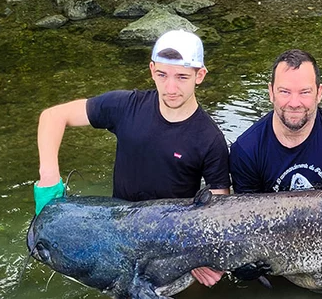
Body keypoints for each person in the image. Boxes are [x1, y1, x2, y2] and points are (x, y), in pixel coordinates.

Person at [32, 29, 230, 286]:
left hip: (169, 244)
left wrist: (205, 253)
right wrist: (48, 180)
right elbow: (53, 116)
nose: (170, 88)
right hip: (116, 234)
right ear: (151, 70)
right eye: (162, 75)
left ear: (199, 75)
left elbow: (219, 204)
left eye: (182, 77)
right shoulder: (125, 107)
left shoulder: (210, 138)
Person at [229, 49, 322, 193]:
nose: (294, 103)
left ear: (319, 93)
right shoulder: (246, 150)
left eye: (304, 92)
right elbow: (247, 213)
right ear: (271, 92)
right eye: (285, 92)